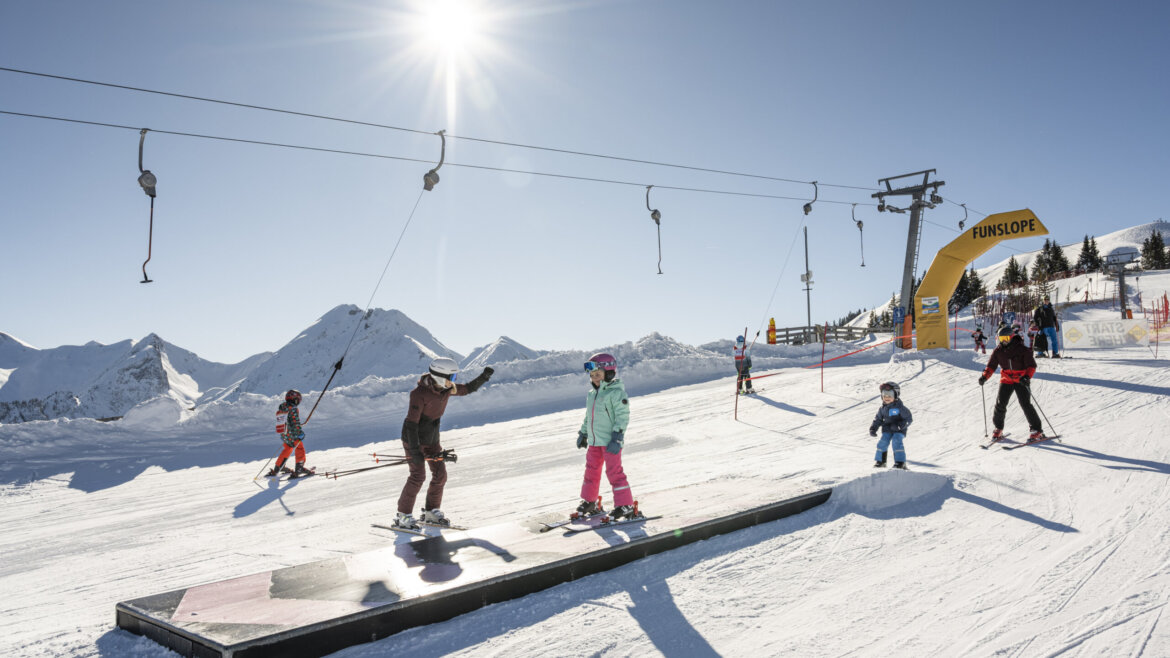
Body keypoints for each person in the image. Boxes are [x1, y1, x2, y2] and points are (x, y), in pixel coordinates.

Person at [392, 358, 494, 531]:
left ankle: (431, 512)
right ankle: (403, 516)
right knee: (418, 477)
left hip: (432, 440)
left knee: (440, 475)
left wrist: (484, 377)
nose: (453, 381)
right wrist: (415, 450)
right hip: (413, 439)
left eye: (454, 377)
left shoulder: (446, 389)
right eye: (451, 377)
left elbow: (467, 389)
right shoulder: (419, 394)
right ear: (439, 376)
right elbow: (411, 424)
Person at [574, 352, 639, 521]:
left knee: (614, 472)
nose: (595, 378)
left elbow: (622, 416)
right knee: (591, 472)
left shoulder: (616, 393)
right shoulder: (592, 394)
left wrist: (617, 437)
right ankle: (590, 501)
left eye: (598, 374)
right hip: (595, 442)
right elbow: (589, 416)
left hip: (611, 442)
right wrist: (583, 433)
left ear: (609, 373)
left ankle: (625, 505)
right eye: (592, 375)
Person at [979, 325, 1045, 442]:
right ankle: (998, 428)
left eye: (1006, 338)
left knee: (1025, 404)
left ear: (1012, 337)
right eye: (1001, 338)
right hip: (1007, 379)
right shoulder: (998, 351)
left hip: (1020, 380)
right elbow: (991, 366)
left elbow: (1032, 366)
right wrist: (985, 376)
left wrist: (1026, 377)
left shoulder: (1022, 349)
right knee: (1000, 404)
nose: (1003, 341)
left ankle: (1037, 430)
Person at [268, 389, 312, 478]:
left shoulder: (282, 408)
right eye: (298, 399)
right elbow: (295, 423)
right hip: (293, 434)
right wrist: (299, 433)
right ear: (294, 399)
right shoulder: (293, 409)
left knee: (288, 448)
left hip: (284, 434)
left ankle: (278, 467)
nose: (298, 402)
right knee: (300, 448)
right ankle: (299, 469)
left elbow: (287, 421)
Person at [868, 381, 912, 469]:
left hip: (899, 430)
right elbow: (878, 419)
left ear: (896, 395)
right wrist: (873, 428)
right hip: (887, 429)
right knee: (882, 443)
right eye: (884, 395)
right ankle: (881, 462)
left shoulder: (900, 408)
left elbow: (908, 419)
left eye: (890, 395)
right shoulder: (882, 409)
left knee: (896, 442)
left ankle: (900, 463)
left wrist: (900, 426)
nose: (886, 397)